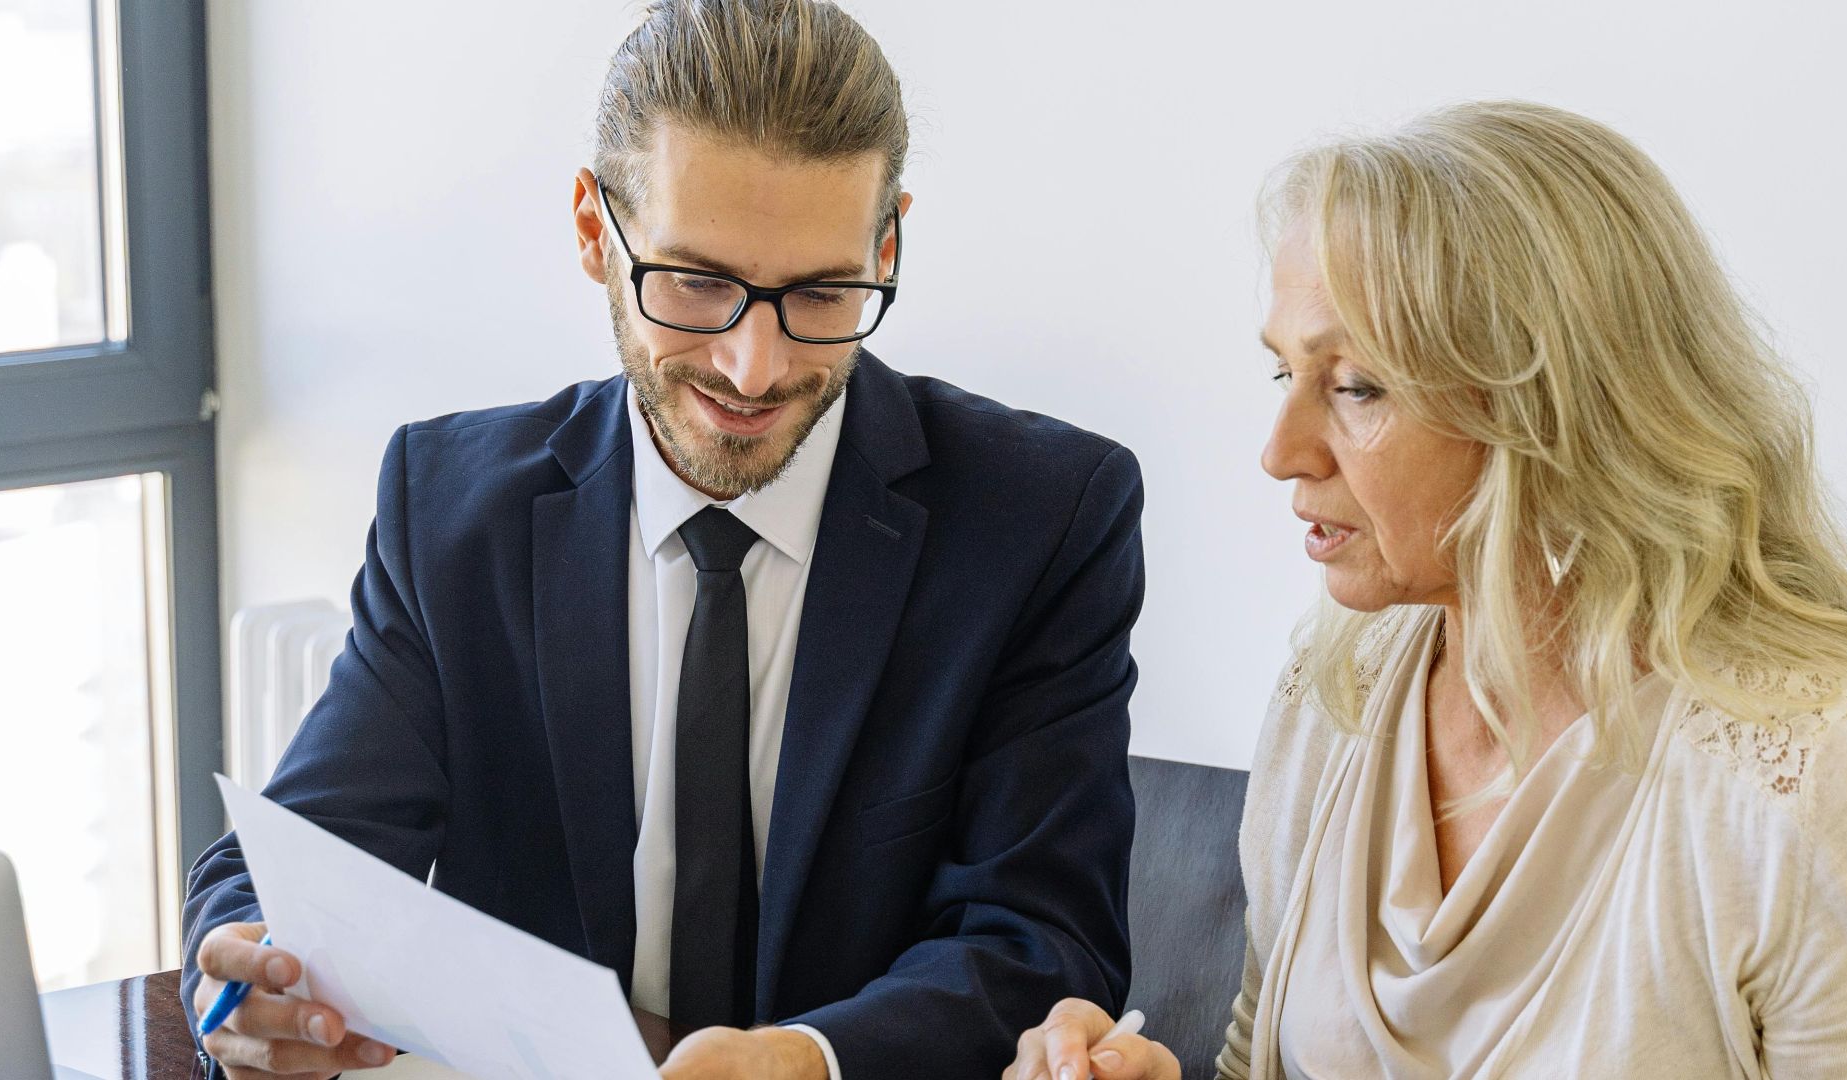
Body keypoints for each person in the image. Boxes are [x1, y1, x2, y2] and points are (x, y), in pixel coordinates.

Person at [182, 3, 1144, 1078]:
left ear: (887, 242)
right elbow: (299, 861)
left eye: (823, 293)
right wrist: (249, 970)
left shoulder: (1044, 517)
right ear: (596, 231)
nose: (755, 367)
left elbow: (1046, 942)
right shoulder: (453, 511)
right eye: (696, 283)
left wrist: (806, 1061)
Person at [1006, 100, 1847, 1080]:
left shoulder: (1817, 791)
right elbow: (1256, 1056)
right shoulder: (1334, 689)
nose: (1280, 454)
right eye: (1285, 375)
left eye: (1355, 387)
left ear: (1554, 409)